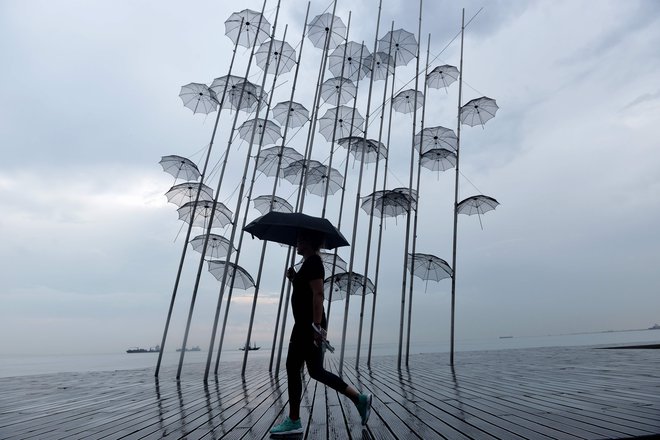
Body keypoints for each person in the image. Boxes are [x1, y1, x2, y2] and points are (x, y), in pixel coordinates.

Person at [270, 229, 372, 437]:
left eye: (300, 240)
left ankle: (294, 420)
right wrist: (294, 278)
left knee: (292, 367)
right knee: (316, 371)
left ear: (309, 242)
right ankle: (359, 399)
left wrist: (317, 327)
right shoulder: (309, 264)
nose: (296, 243)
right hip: (307, 325)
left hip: (307, 326)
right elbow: (306, 291)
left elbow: (318, 294)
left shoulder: (314, 262)